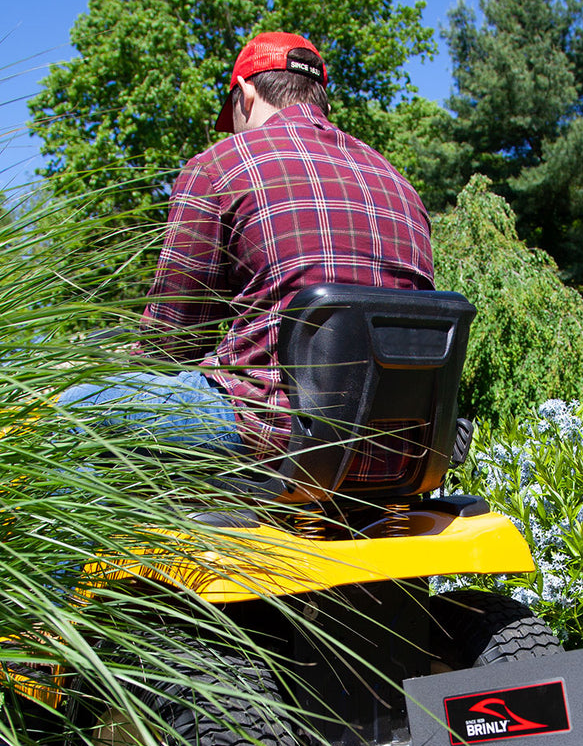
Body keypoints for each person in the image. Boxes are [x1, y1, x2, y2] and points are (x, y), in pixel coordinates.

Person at [61, 31, 435, 457]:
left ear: (245, 94)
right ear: (320, 99)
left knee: (79, 407)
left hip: (279, 441)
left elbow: (169, 345)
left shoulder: (220, 166)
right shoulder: (401, 187)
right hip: (396, 450)